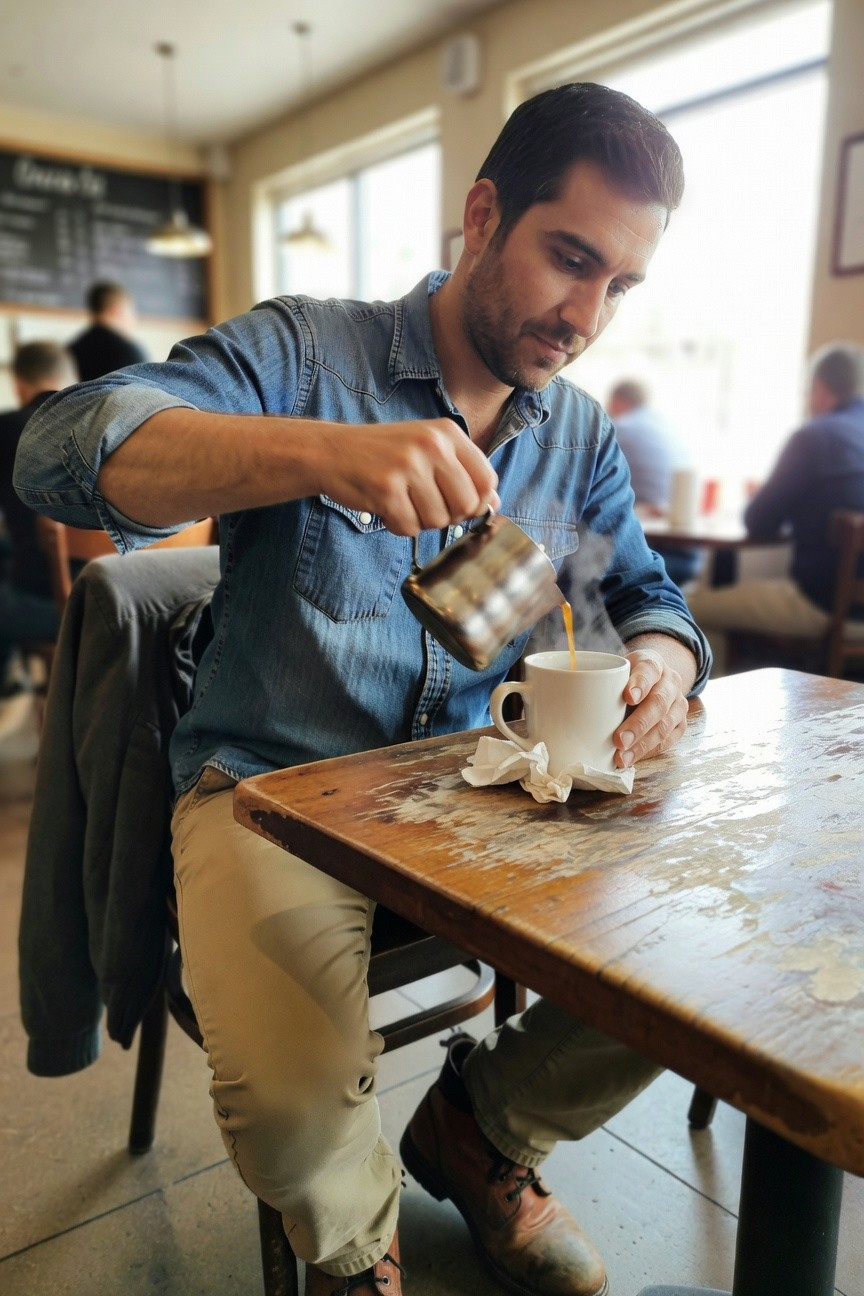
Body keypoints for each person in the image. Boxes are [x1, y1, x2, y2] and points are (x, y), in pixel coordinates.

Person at [16, 82, 710, 1296]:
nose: (586, 315)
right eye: (570, 259)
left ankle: (484, 1130)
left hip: (478, 790)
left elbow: (645, 596)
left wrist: (661, 660)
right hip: (269, 789)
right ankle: (355, 1239)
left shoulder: (578, 436)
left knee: (699, 954)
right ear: (483, 215)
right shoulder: (305, 353)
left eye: (621, 287)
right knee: (290, 1096)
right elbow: (59, 447)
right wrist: (319, 451)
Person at [687, 343, 864, 673]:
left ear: (820, 390)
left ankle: (703, 718)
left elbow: (758, 521)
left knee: (684, 608)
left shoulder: (815, 437)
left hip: (823, 606)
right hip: (852, 607)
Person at [0, 341, 78, 693]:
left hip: (56, 610)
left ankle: (7, 687)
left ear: (19, 385)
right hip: (129, 602)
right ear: (74, 380)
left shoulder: (8, 428)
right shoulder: (109, 423)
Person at [607, 378, 702, 587]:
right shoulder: (667, 426)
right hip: (692, 555)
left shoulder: (619, 429)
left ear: (618, 402)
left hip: (654, 552)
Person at [68, 280, 148, 380]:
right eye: (130, 310)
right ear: (118, 309)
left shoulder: (71, 351)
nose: (133, 318)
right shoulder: (129, 352)